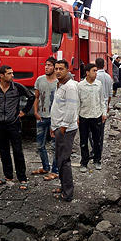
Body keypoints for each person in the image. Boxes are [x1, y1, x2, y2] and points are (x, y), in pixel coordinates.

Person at [0, 65, 34, 189]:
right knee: (3, 151)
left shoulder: (17, 87)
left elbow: (31, 97)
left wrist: (24, 111)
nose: (12, 75)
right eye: (9, 73)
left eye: (12, 73)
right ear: (1, 75)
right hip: (0, 124)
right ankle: (8, 176)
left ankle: (22, 178)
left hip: (14, 123)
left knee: (17, 151)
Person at [50, 59, 79, 201]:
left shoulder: (70, 87)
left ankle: (68, 193)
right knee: (59, 159)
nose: (58, 71)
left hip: (66, 130)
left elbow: (71, 109)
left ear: (67, 70)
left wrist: (63, 127)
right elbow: (58, 108)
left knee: (64, 161)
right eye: (56, 68)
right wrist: (53, 126)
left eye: (61, 68)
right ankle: (63, 186)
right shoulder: (60, 84)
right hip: (58, 127)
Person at [77, 63, 106, 172]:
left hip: (96, 115)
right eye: (94, 71)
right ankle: (84, 162)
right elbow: (77, 102)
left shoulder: (98, 84)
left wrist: (104, 113)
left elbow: (102, 100)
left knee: (97, 140)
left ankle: (97, 160)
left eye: (96, 71)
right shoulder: (80, 86)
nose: (96, 73)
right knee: (83, 141)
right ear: (87, 72)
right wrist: (77, 116)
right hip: (84, 116)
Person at [34, 57, 59, 179]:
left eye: (49, 65)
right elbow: (37, 97)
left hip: (54, 119)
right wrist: (35, 112)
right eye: (46, 65)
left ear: (54, 67)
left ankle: (55, 170)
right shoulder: (40, 80)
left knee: (55, 146)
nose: (46, 67)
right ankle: (45, 167)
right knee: (40, 145)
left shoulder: (58, 83)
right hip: (41, 117)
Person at [95, 57, 113, 159]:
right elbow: (110, 94)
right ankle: (99, 150)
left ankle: (95, 149)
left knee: (93, 131)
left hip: (96, 106)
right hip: (105, 105)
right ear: (104, 65)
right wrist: (107, 106)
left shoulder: (95, 77)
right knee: (101, 130)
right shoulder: (108, 77)